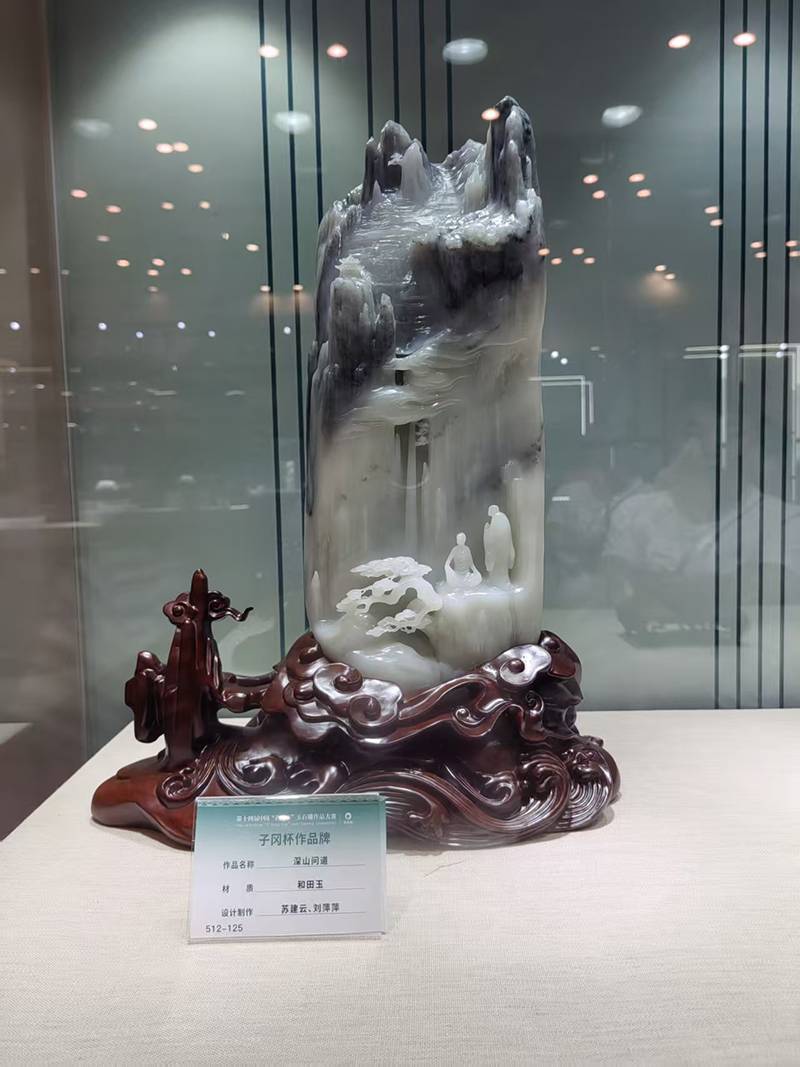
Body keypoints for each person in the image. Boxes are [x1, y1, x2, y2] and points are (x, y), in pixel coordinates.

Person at [484, 505, 515, 586]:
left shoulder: (496, 518)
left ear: (492, 511)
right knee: (502, 567)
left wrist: (486, 530)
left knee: (496, 566)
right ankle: (501, 581)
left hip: (497, 550)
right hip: (505, 549)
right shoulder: (504, 518)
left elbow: (492, 537)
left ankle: (496, 582)